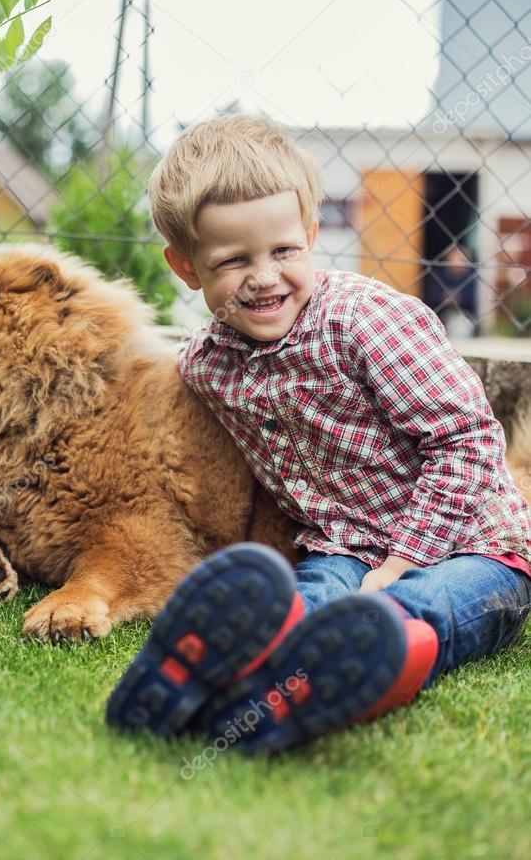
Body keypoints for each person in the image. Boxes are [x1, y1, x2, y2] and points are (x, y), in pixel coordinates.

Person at [106, 114, 531, 754]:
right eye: (233, 260)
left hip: (478, 548)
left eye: (284, 251)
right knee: (305, 603)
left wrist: (400, 564)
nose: (264, 276)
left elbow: (465, 440)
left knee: (426, 607)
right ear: (186, 268)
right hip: (342, 548)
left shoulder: (367, 321)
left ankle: (345, 675)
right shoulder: (204, 365)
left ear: (309, 235)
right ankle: (223, 680)